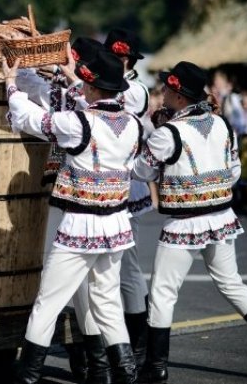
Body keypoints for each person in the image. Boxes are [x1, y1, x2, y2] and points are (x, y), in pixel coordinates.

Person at [133, 61, 247, 383]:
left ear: (178, 96)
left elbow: (141, 171)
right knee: (231, 282)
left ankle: (156, 366)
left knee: (163, 293)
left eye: (167, 88)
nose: (161, 91)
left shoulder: (168, 133)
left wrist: (161, 144)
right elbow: (234, 171)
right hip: (221, 217)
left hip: (184, 224)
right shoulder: (221, 124)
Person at [7, 50, 140, 384]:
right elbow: (83, 103)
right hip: (116, 225)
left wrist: (10, 83)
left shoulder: (78, 123)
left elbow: (29, 119)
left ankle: (29, 377)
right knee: (107, 304)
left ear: (93, 88)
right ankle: (125, 374)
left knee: (47, 304)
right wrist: (76, 81)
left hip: (81, 226)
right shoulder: (133, 124)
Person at [105, 28, 153, 368]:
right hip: (100, 182)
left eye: (123, 58)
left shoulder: (136, 90)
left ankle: (139, 339)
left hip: (124, 183)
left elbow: (111, 97)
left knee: (127, 266)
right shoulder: (99, 82)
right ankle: (112, 338)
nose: (120, 62)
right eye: (116, 57)